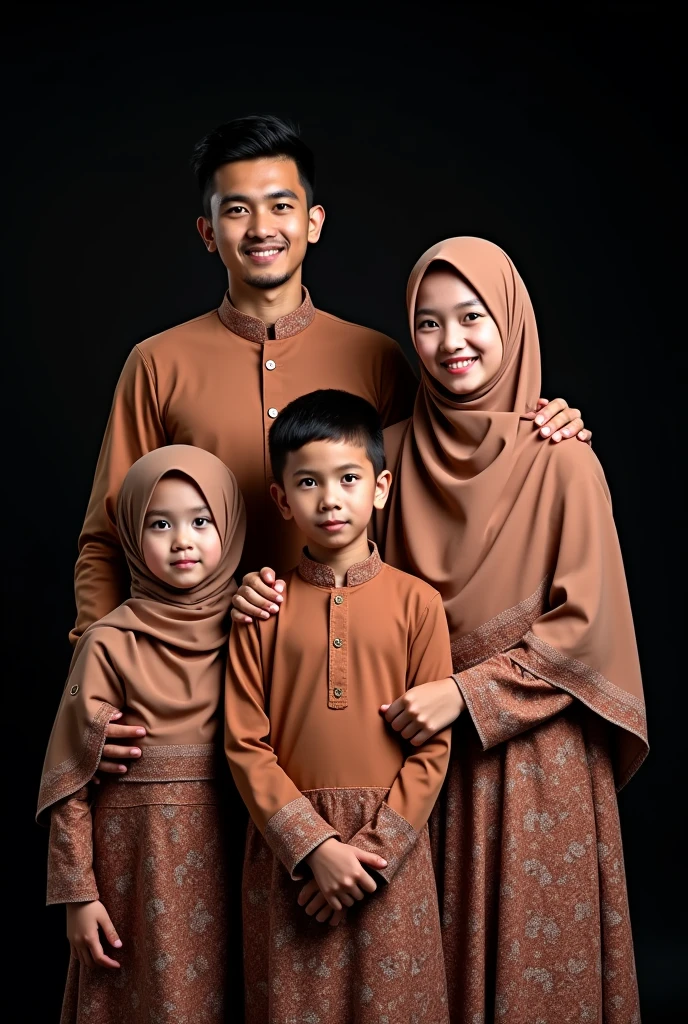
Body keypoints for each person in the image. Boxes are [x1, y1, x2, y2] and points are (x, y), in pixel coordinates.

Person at [72, 113, 587, 776]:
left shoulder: (375, 358)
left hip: (352, 708)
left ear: (313, 221)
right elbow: (106, 537)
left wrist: (535, 423)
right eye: (237, 210)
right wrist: (92, 690)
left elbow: (445, 481)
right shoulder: (157, 363)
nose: (262, 228)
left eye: (281, 205)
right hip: (188, 699)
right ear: (208, 232)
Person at [233, 238, 647, 1023]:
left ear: (511, 323)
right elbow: (345, 580)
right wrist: (261, 584)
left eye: (473, 317)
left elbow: (586, 629)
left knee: (531, 972)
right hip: (415, 763)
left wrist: (462, 695)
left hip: (532, 764)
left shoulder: (561, 459)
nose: (451, 342)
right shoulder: (392, 454)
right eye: (428, 323)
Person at [225, 390, 453, 1023]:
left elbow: (432, 749)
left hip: (392, 856)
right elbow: (245, 744)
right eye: (307, 482)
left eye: (348, 478)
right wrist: (316, 848)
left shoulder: (419, 605)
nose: (329, 499)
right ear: (281, 499)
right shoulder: (263, 610)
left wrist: (371, 860)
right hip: (290, 862)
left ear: (379, 487)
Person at [37, 446, 245, 1023]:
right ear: (131, 532)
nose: (183, 540)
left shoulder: (257, 628)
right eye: (160, 523)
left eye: (201, 521)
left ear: (229, 526)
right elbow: (68, 781)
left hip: (240, 853)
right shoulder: (108, 641)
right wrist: (78, 895)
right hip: (137, 872)